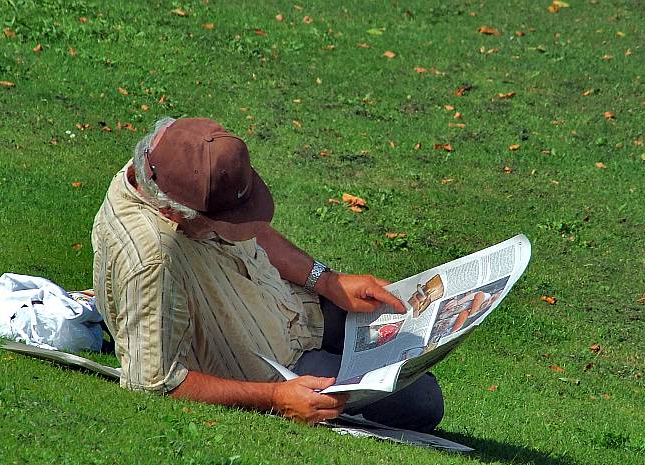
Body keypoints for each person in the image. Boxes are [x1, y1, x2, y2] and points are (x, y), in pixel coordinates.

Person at [91, 117, 444, 432]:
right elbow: (153, 382)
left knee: (403, 318)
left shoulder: (167, 165)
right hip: (275, 364)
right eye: (230, 222)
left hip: (290, 304)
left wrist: (327, 280)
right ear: (180, 213)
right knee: (423, 399)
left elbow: (247, 225)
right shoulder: (151, 260)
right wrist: (276, 397)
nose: (246, 226)